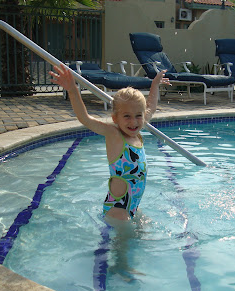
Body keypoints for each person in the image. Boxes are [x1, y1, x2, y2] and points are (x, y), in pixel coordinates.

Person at [49, 64, 170, 222]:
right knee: (122, 246)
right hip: (118, 208)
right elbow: (86, 119)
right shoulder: (115, 135)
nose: (133, 121)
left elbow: (151, 107)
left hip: (133, 205)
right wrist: (72, 90)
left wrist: (154, 85)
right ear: (115, 118)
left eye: (138, 115)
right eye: (126, 116)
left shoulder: (137, 131)